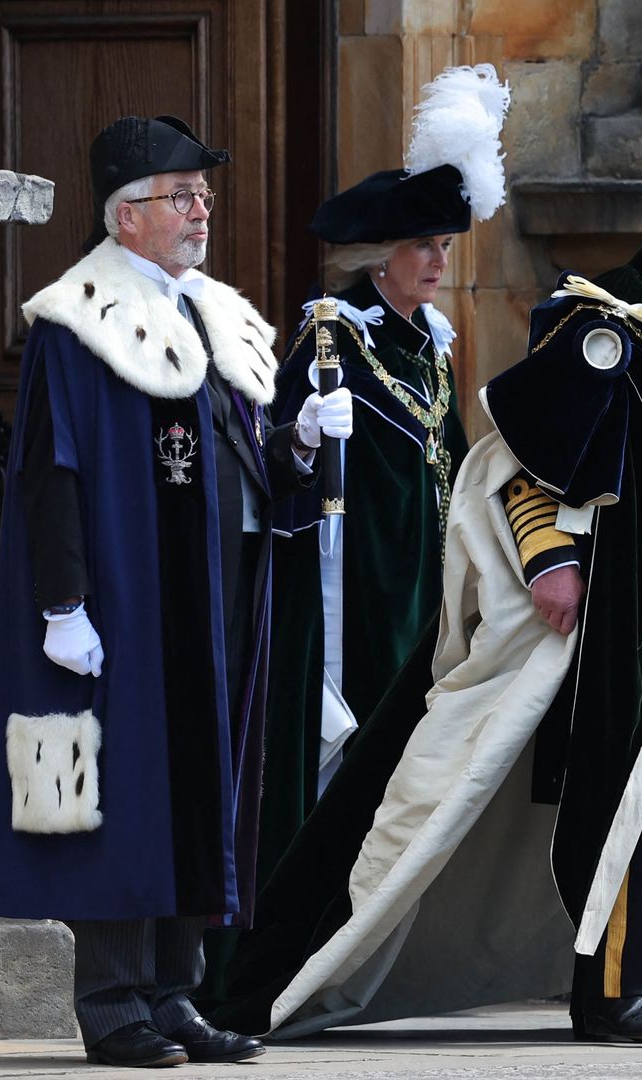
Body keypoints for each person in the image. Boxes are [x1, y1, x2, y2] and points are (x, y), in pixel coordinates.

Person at [200, 152, 642, 1046]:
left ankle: (618, 986)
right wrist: (550, 559)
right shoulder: (600, 319)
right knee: (568, 788)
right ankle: (602, 994)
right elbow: (519, 460)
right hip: (596, 618)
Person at [0, 114, 352, 1068]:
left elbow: (247, 463)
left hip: (215, 595)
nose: (201, 210)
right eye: (182, 196)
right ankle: (111, 1002)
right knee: (126, 789)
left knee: (199, 782)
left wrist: (299, 437)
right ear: (126, 216)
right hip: (128, 598)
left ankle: (175, 992)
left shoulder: (210, 312)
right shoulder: (75, 318)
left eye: (203, 195)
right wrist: (63, 605)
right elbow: (51, 470)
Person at [252, 64, 509, 888]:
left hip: (426, 588)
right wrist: (298, 435)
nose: (437, 260)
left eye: (443, 244)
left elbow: (459, 459)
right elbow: (278, 466)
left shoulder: (428, 344)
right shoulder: (332, 342)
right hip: (357, 591)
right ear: (379, 255)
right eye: (422, 245)